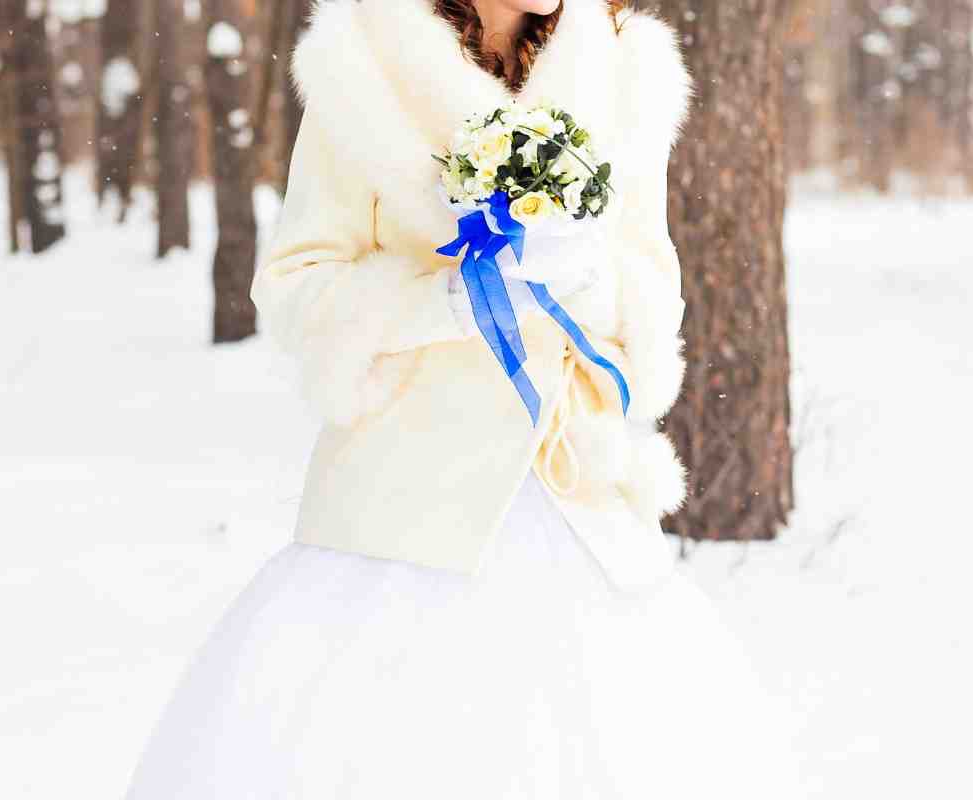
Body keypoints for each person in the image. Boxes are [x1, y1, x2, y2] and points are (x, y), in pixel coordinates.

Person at [124, 1, 800, 797]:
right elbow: (295, 284)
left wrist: (586, 281)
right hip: (401, 508)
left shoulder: (622, 63)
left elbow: (653, 288)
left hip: (576, 490)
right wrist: (443, 304)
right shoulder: (362, 63)